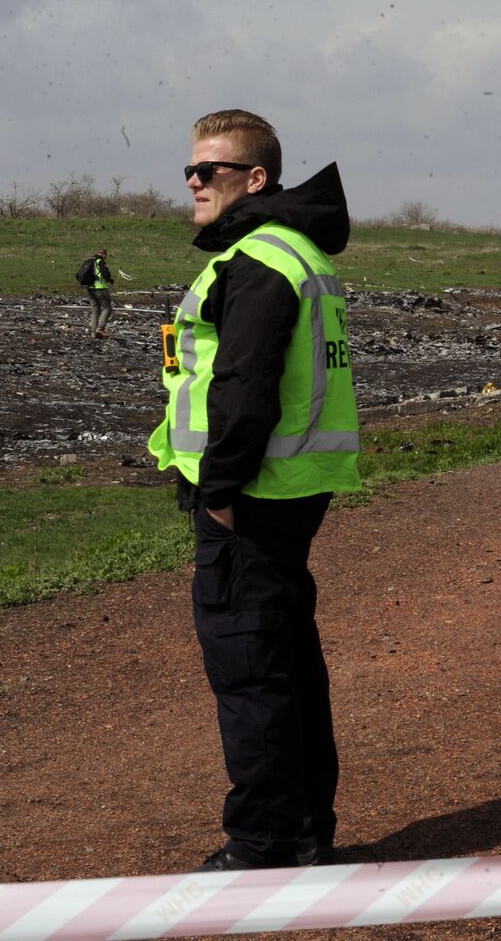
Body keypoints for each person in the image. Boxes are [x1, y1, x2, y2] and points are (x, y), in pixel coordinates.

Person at [147, 109, 361, 872]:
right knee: (287, 658)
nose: (195, 183)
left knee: (249, 666)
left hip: (253, 493)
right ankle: (304, 829)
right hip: (293, 485)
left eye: (211, 170)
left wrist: (219, 488)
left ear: (256, 178)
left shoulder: (261, 258)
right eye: (190, 170)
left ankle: (265, 842)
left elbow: (244, 387)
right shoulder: (295, 250)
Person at [85, 248, 115, 338]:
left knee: (95, 310)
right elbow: (105, 274)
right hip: (100, 288)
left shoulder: (90, 262)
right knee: (107, 308)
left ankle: (93, 333)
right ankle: (100, 329)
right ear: (104, 255)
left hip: (90, 289)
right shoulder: (100, 262)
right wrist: (110, 280)